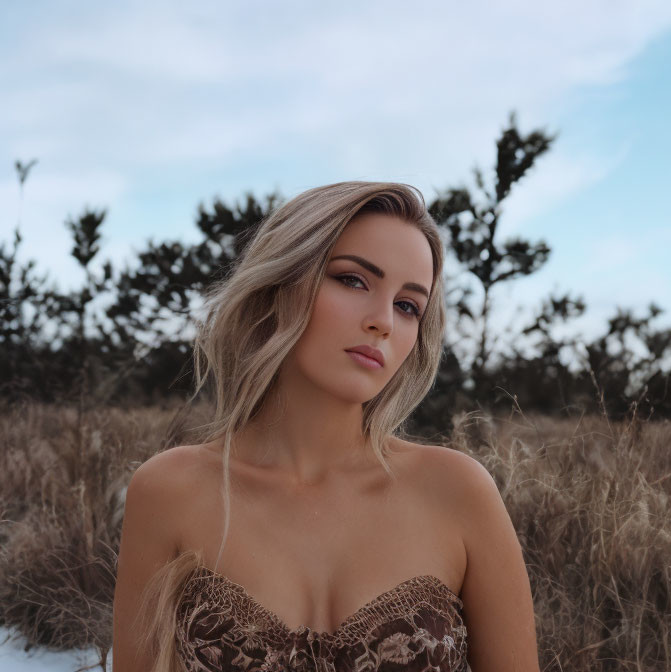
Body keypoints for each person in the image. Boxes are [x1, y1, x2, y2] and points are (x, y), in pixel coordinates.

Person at [111, 181, 540, 671]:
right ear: (280, 285)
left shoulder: (458, 492)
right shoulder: (171, 491)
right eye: (353, 280)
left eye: (407, 306)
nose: (382, 321)